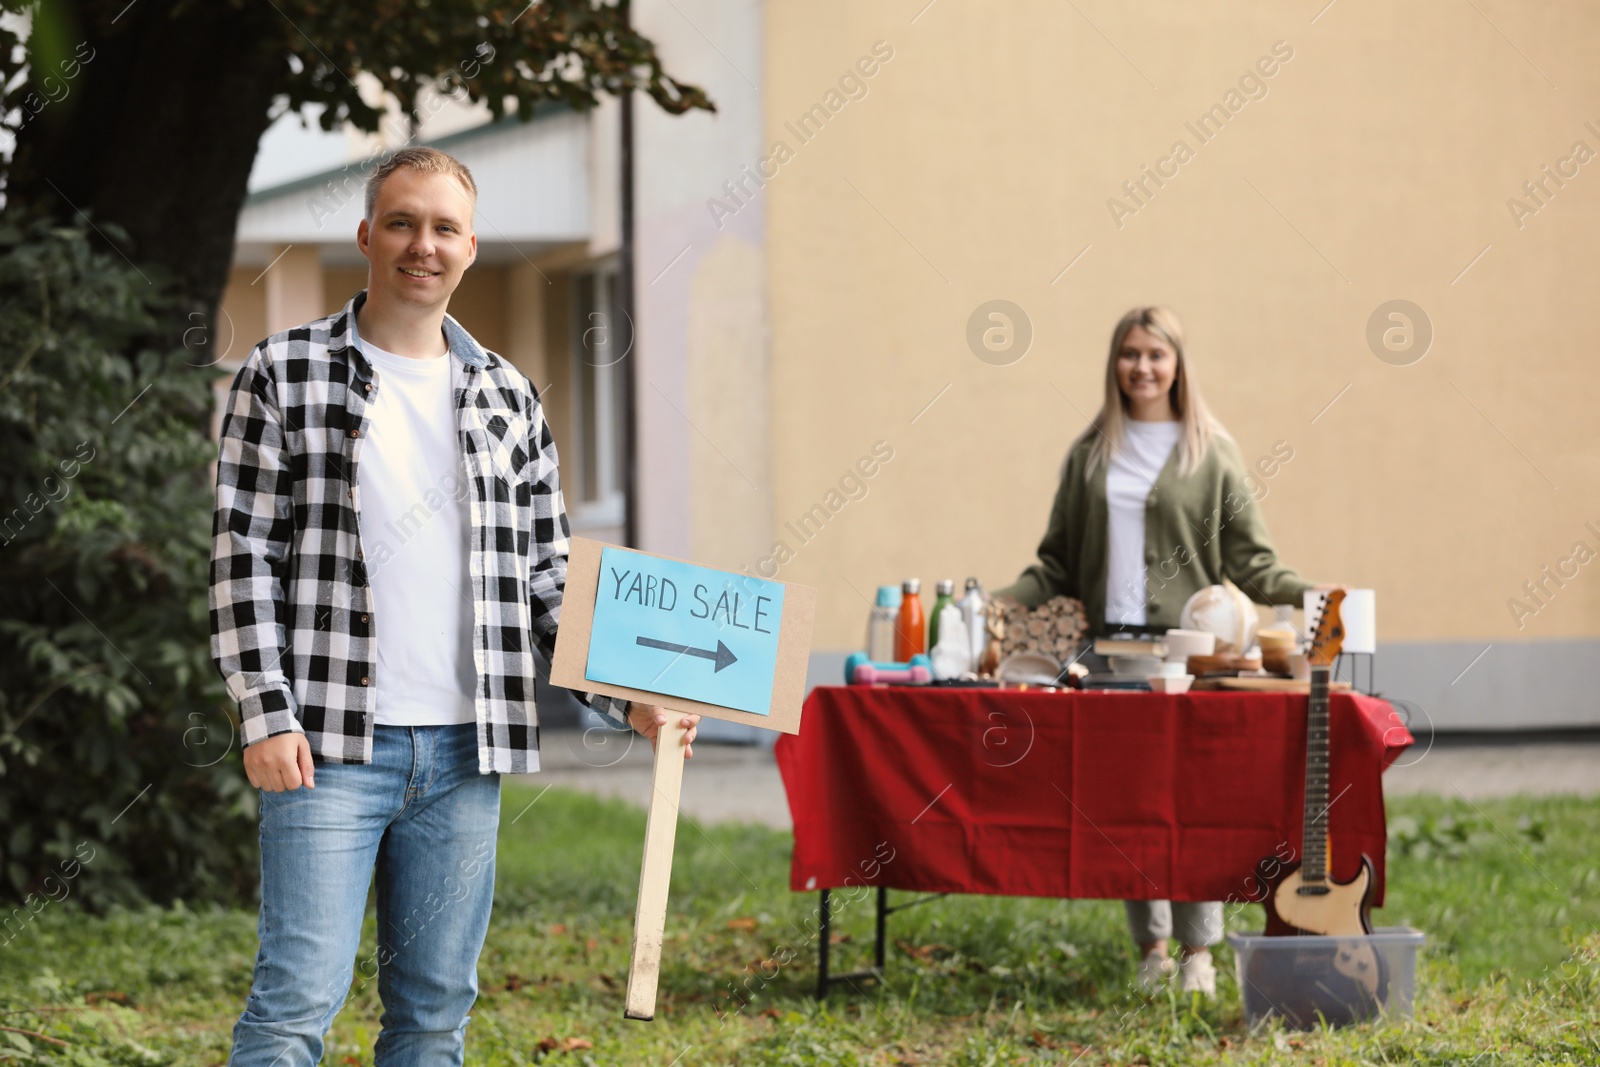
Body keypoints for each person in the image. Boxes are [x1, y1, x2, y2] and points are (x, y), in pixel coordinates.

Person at [209, 145, 698, 1066]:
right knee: (292, 1008)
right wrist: (264, 712)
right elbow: (243, 558)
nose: (420, 244)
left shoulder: (510, 396)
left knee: (434, 1014)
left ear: (471, 246)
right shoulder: (284, 371)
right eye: (401, 222)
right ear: (366, 235)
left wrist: (628, 698)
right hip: (327, 747)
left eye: (443, 228)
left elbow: (549, 579)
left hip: (467, 752)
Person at [994, 306, 1323, 996]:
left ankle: (1201, 951)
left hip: (1189, 661)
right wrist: (995, 603)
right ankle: (1152, 948)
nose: (1141, 366)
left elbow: (1252, 561)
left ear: (1178, 364)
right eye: (1129, 353)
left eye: (1156, 354)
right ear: (1114, 362)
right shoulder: (1090, 453)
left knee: (1189, 802)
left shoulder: (1213, 452)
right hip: (1106, 657)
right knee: (1128, 805)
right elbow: (1054, 563)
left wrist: (1311, 595)